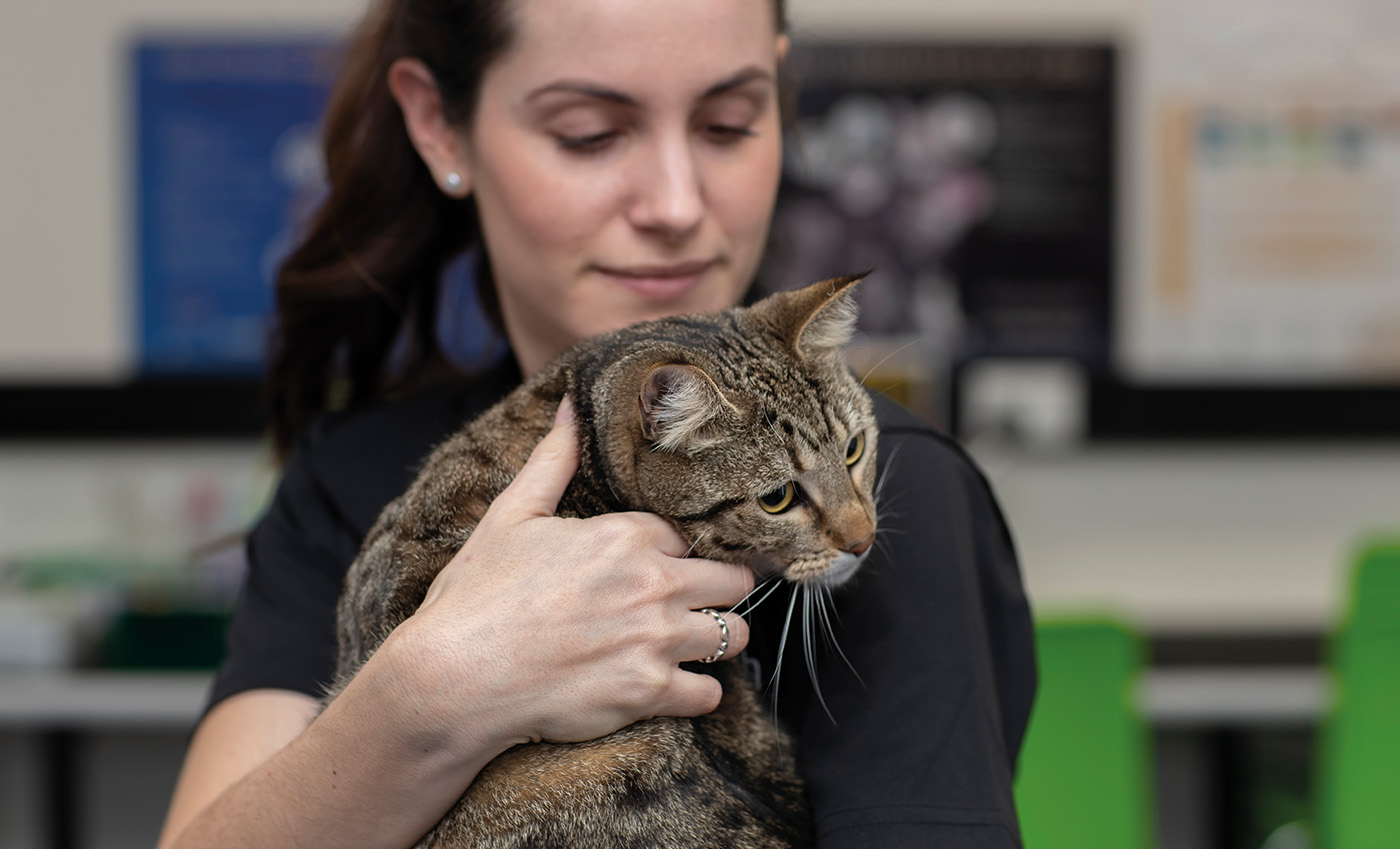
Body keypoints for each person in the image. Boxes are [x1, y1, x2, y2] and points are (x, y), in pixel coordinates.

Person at [157, 0, 1037, 846]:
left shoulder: (890, 491)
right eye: (591, 133)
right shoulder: (343, 475)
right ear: (439, 126)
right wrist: (431, 693)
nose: (676, 203)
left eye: (729, 122)